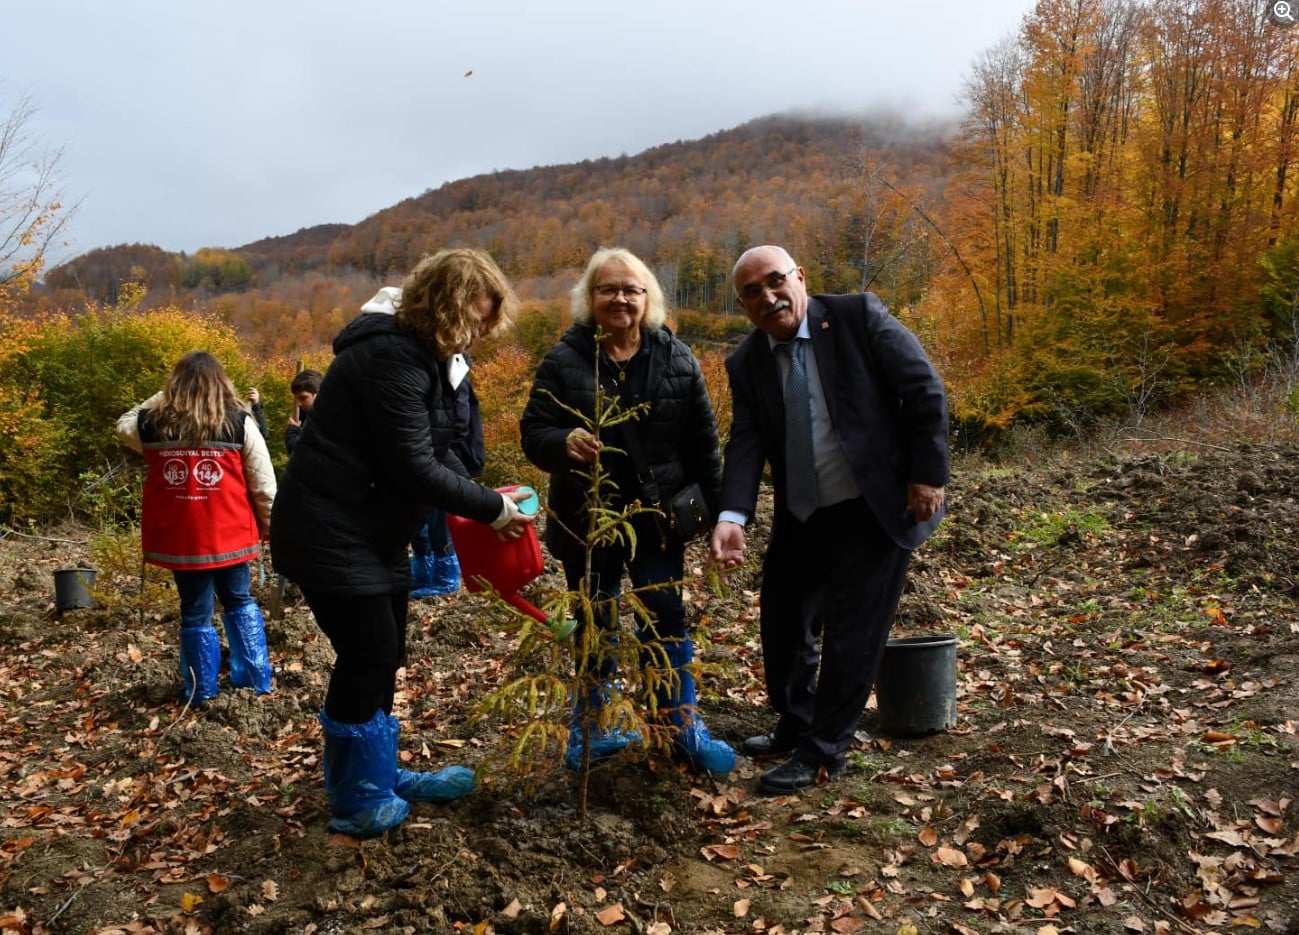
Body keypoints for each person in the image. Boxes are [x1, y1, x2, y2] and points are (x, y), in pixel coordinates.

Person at [270, 249, 536, 839]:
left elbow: (436, 450)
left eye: (484, 324)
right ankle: (355, 795)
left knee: (385, 653)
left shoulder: (424, 357)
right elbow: (414, 466)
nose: (474, 334)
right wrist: (490, 509)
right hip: (329, 532)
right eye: (471, 318)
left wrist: (479, 493)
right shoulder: (391, 356)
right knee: (367, 654)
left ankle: (379, 772)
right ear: (442, 304)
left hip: (373, 532)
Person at [710, 245, 949, 794]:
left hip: (874, 507)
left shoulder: (856, 317)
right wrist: (732, 513)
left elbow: (923, 388)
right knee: (782, 619)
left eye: (775, 281)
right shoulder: (746, 362)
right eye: (752, 292)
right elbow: (746, 440)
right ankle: (797, 722)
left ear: (799, 277)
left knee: (852, 635)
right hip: (803, 512)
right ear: (743, 305)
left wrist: (928, 475)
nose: (767, 297)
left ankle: (825, 750)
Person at [520, 246, 734, 776]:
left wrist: (725, 518)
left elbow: (705, 446)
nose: (620, 298)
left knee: (665, 618)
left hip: (656, 524)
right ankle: (594, 728)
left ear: (648, 299)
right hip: (585, 522)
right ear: (589, 298)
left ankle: (679, 725)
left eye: (631, 289)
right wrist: (560, 440)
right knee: (597, 622)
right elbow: (532, 432)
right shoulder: (563, 359)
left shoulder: (678, 358)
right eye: (608, 289)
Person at [115, 352, 276, 704]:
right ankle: (253, 681)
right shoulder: (240, 421)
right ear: (221, 383)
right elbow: (264, 484)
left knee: (194, 611)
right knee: (239, 600)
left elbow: (123, 423)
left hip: (182, 541)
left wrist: (163, 396)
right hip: (230, 534)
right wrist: (271, 529)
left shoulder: (153, 424)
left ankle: (200, 690)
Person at [410, 373, 482, 597]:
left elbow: (459, 423)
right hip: (427, 457)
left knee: (439, 520)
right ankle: (423, 571)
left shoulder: (454, 370)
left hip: (451, 457)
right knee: (420, 519)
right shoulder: (427, 368)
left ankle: (445, 579)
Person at [283, 369, 322, 454]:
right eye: (297, 398)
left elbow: (299, 449)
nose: (299, 404)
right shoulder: (308, 416)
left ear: (317, 395)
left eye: (303, 398)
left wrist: (292, 431)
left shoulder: (328, 420)